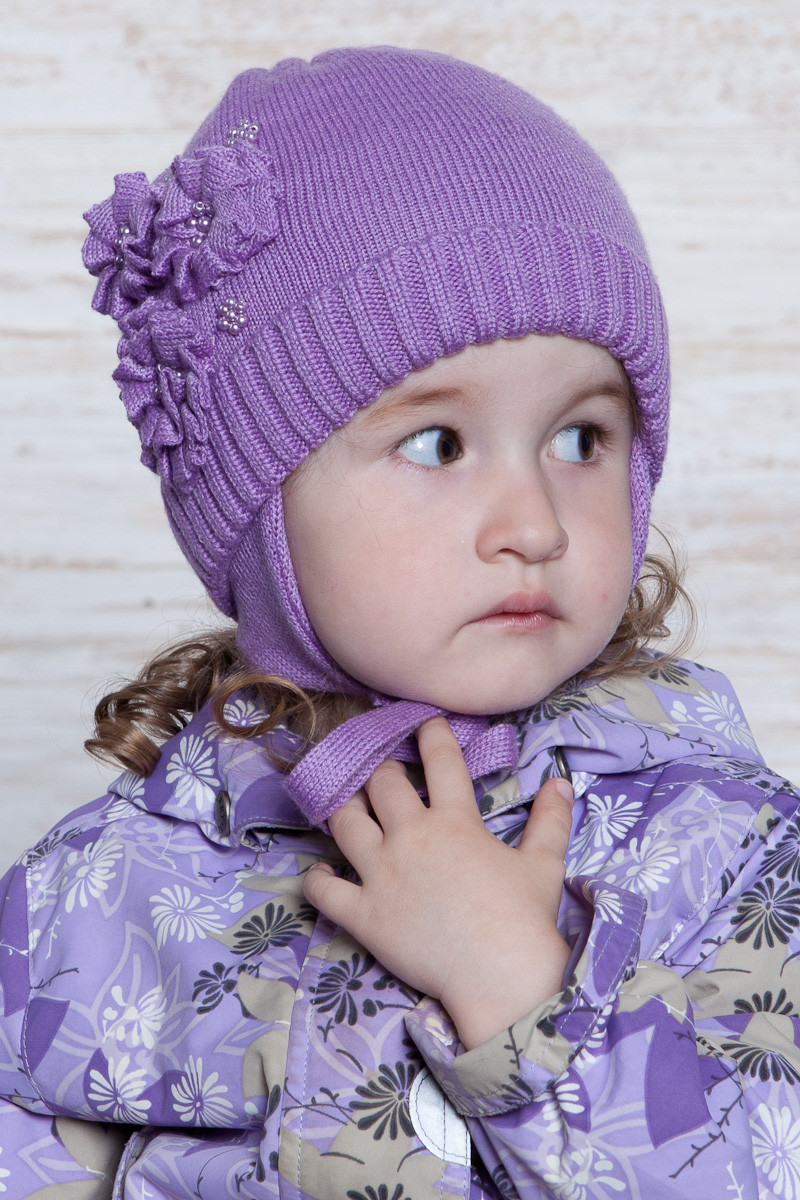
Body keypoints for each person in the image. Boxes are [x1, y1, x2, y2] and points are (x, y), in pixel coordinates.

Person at [0, 45, 798, 1200]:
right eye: (436, 443)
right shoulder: (106, 890)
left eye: (580, 438)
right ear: (262, 508)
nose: (533, 523)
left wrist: (524, 998)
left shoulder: (724, 848)